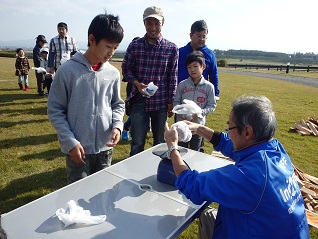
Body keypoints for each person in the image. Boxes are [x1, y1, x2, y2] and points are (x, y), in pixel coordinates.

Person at [164, 95, 309, 239]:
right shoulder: (275, 149)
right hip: (275, 230)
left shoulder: (250, 177)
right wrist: (200, 129)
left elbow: (192, 184)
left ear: (247, 132)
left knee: (206, 214)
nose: (228, 132)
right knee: (208, 215)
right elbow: (232, 145)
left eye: (229, 127)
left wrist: (172, 148)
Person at [47, 12, 125, 184]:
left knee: (102, 193)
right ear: (92, 39)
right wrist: (70, 142)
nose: (111, 52)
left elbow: (117, 104)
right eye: (108, 46)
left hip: (105, 148)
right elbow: (55, 110)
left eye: (115, 47)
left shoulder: (112, 73)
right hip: (77, 150)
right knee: (78, 197)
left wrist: (117, 126)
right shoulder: (67, 71)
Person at [121, 6, 178, 156]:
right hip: (139, 101)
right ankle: (134, 176)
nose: (153, 28)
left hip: (160, 103)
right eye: (149, 23)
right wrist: (136, 83)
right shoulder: (135, 46)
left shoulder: (171, 48)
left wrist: (171, 101)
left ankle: (156, 173)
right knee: (137, 142)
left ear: (163, 23)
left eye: (157, 23)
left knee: (159, 143)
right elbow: (126, 69)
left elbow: (172, 77)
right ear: (144, 23)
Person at [174, 51, 216, 151]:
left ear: (203, 67)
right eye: (189, 67)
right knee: (180, 149)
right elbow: (176, 102)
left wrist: (200, 112)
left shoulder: (209, 87)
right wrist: (182, 112)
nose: (192, 70)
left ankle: (194, 166)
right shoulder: (182, 85)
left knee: (195, 150)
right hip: (182, 124)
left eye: (195, 66)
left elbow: (212, 105)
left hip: (198, 125)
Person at [178, 20, 220, 100]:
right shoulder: (180, 52)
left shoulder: (210, 54)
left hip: (201, 97)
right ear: (191, 35)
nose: (201, 39)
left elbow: (214, 75)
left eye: (204, 36)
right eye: (198, 36)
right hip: (182, 95)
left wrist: (216, 94)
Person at [122, 36, 140, 141]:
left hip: (146, 89)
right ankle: (126, 128)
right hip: (132, 88)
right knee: (134, 111)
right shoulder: (130, 58)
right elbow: (126, 74)